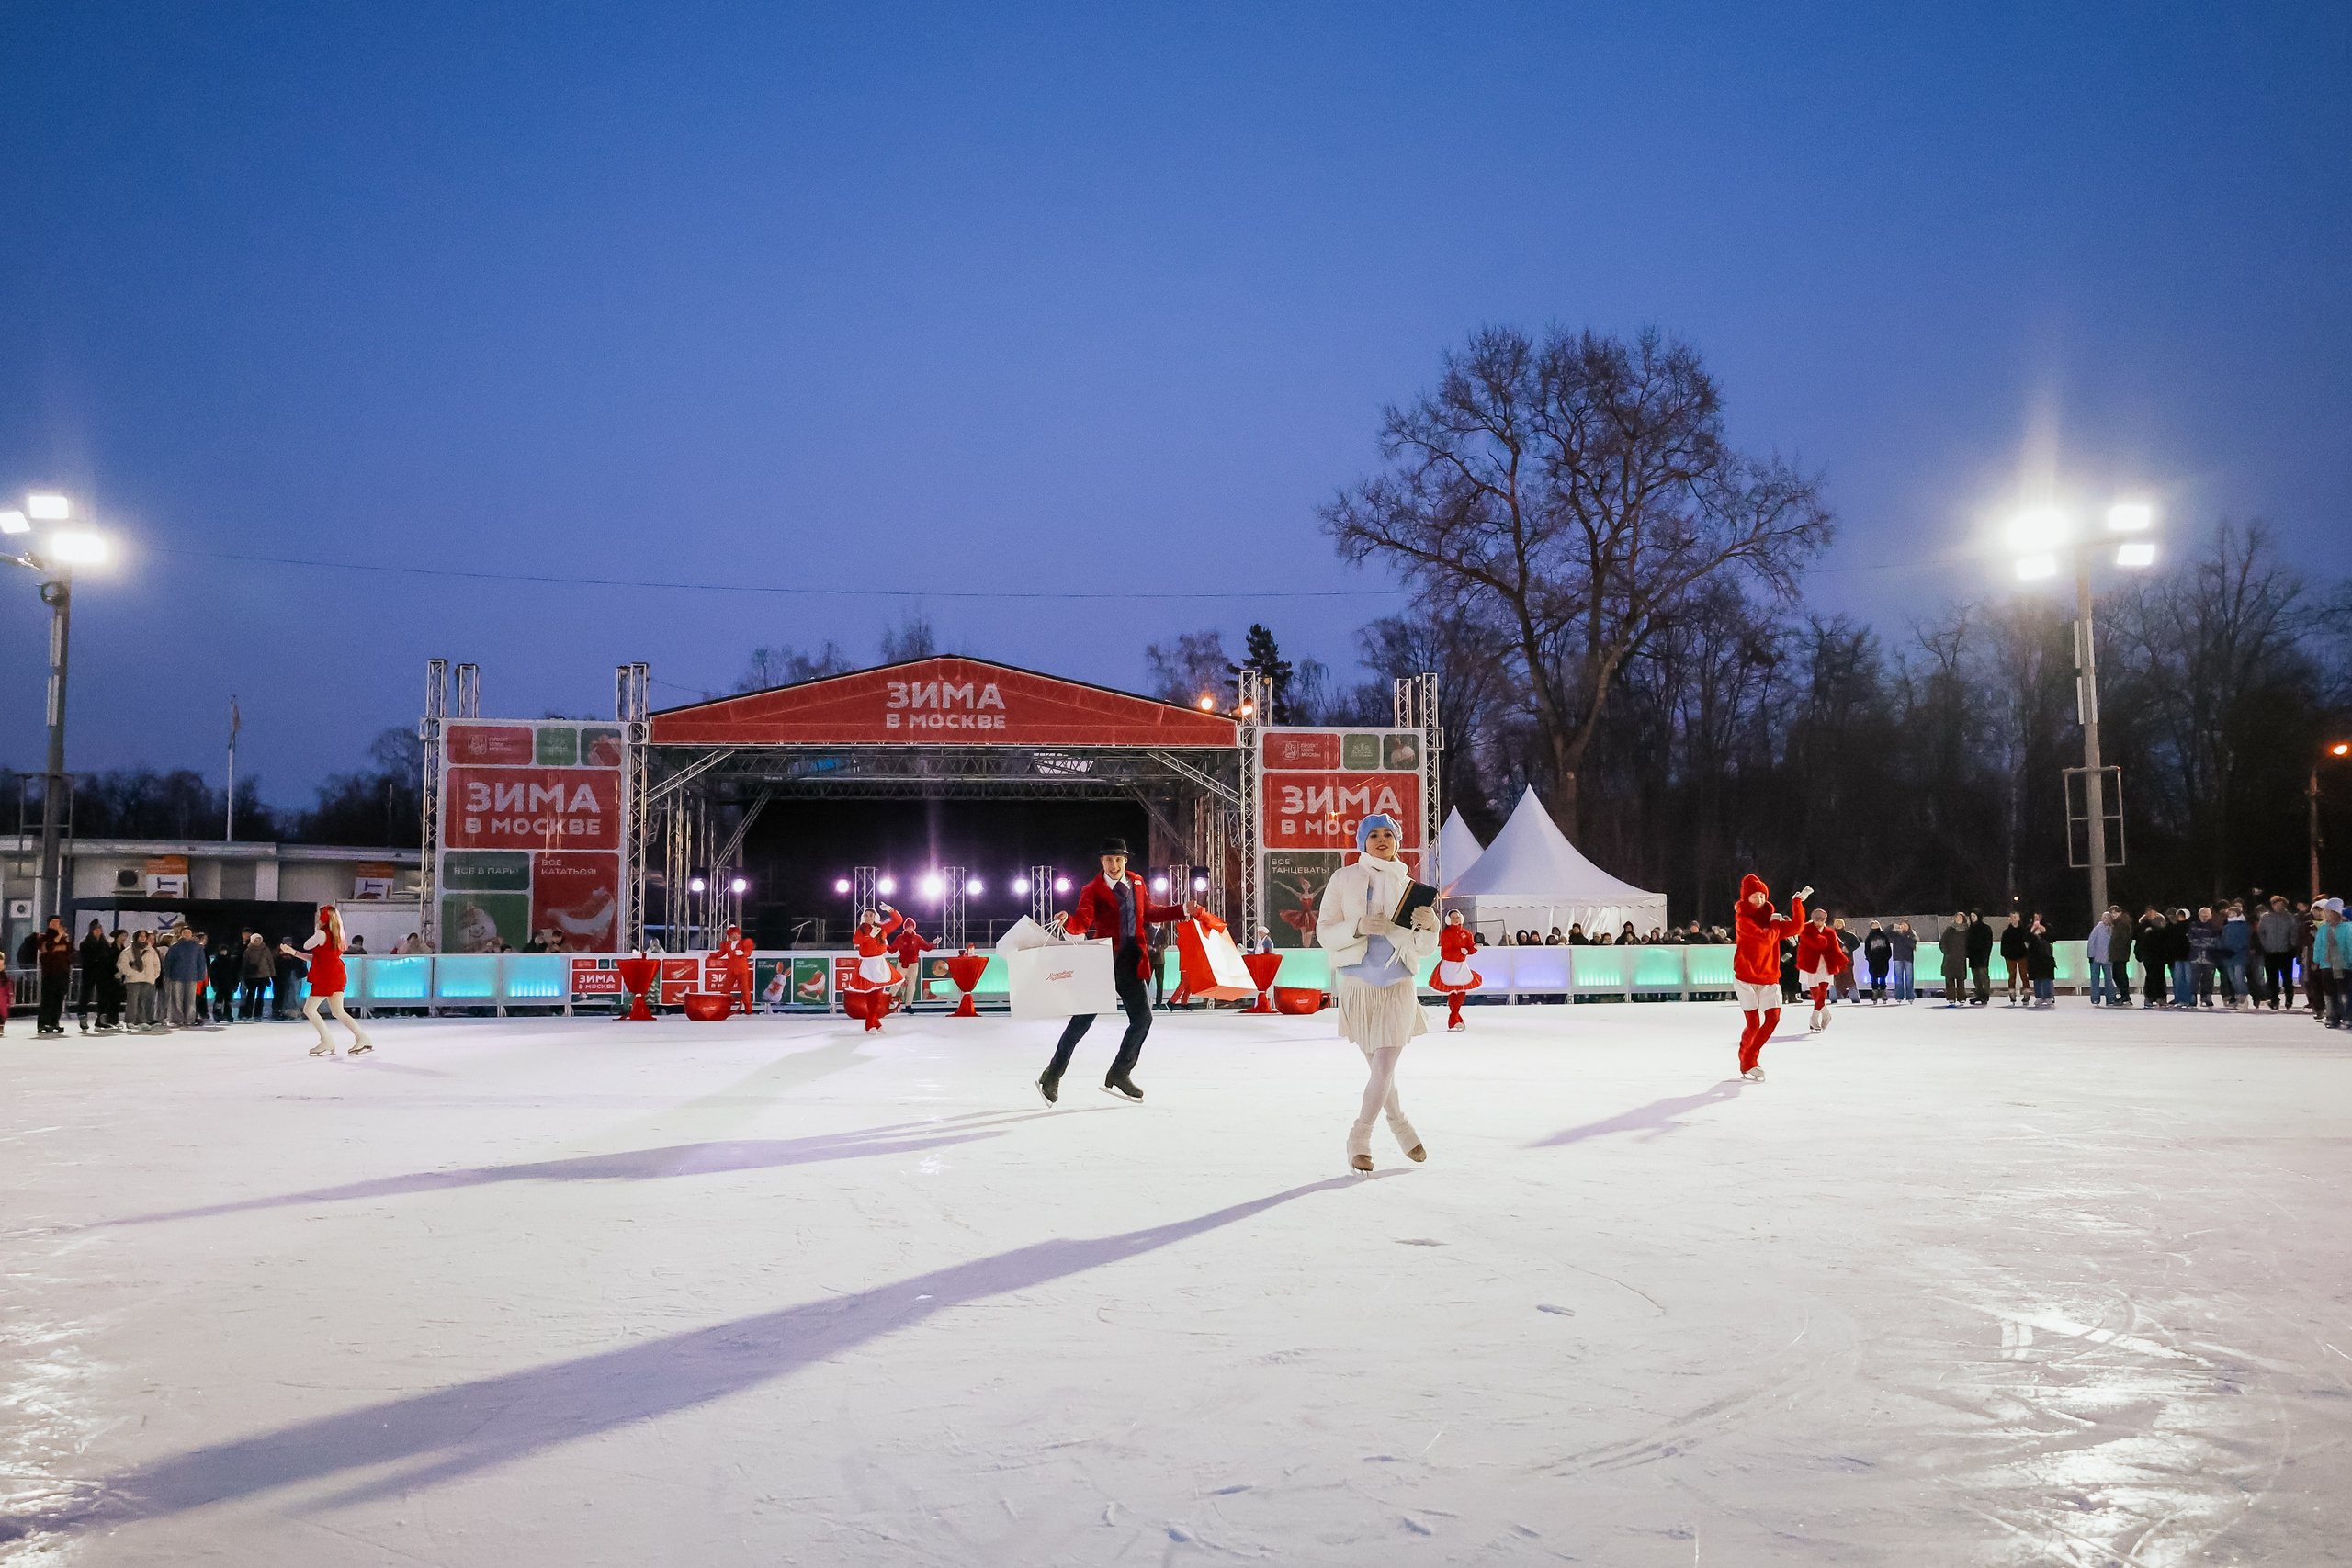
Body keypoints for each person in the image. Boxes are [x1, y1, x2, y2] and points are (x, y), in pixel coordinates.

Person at [1317, 813, 1440, 1170]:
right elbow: (1325, 932)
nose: (1381, 840)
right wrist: (1357, 926)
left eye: (1388, 834)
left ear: (1398, 841)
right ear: (1363, 842)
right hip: (1358, 984)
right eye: (1374, 835)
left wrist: (1430, 925)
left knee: (1384, 1066)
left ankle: (1359, 1139)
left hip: (1399, 982)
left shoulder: (1409, 885)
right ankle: (1402, 1127)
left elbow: (1425, 947)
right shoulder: (1344, 878)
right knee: (1380, 1072)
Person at [1037, 838, 1191, 1103]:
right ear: (1102, 862)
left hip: (1133, 962)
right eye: (1109, 859)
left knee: (1143, 1019)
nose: (1114, 864)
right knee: (1081, 1022)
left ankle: (1120, 1072)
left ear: (1125, 860)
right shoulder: (1092, 889)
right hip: (1104, 963)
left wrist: (1182, 910)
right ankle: (1052, 1075)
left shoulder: (1138, 883)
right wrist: (1068, 922)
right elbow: (1082, 921)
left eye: (1118, 859)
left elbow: (1149, 913)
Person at [1731, 874, 1806, 1081]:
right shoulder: (1743, 922)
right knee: (1753, 1024)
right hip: (1746, 979)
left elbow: (1797, 928)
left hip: (1769, 978)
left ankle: (1750, 1057)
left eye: (1762, 896)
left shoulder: (1772, 921)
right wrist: (1774, 925)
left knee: (1773, 1018)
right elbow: (1764, 940)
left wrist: (1797, 904)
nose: (1759, 900)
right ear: (1746, 899)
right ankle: (1746, 1058)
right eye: (1754, 897)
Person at [301, 906, 374, 1056]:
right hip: (336, 973)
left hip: (325, 975)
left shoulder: (321, 933)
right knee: (338, 1011)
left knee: (309, 1009)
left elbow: (307, 945)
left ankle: (326, 1040)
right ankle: (362, 1037)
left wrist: (317, 928)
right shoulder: (337, 934)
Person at [842, 905, 909, 1032]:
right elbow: (856, 941)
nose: (868, 917)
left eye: (871, 915)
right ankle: (871, 1023)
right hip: (868, 964)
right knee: (871, 995)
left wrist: (891, 910)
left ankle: (875, 1021)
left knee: (877, 995)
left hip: (880, 963)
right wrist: (870, 936)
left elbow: (898, 921)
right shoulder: (861, 929)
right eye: (866, 915)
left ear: (875, 917)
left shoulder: (881, 928)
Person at [1793, 906, 1848, 1032]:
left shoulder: (1830, 932)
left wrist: (1841, 959)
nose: (1819, 923)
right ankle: (1825, 1014)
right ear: (1812, 920)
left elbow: (1834, 948)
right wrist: (1822, 941)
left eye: (1822, 920)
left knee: (1823, 990)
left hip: (1826, 964)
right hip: (1811, 963)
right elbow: (1813, 942)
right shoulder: (1806, 929)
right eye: (1817, 920)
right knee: (1815, 991)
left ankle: (1814, 1017)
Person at [1432, 908, 1481, 1031]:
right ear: (1448, 920)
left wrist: (1473, 948)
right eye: (1453, 917)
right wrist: (1460, 952)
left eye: (1457, 917)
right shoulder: (1445, 933)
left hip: (1461, 965)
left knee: (1461, 991)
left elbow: (1470, 947)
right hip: (1449, 965)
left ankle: (1454, 1018)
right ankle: (1454, 1018)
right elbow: (1445, 952)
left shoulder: (1467, 933)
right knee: (1453, 992)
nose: (1455, 919)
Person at [2256, 896, 2299, 1010]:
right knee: (2271, 978)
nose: (2278, 907)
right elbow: (2261, 933)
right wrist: (2265, 945)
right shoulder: (2265, 918)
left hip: (2285, 951)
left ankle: (2289, 999)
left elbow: (2293, 933)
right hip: (2270, 952)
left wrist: (2292, 945)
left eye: (2281, 905)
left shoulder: (2290, 918)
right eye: (2276, 904)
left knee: (2287, 978)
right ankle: (2274, 1000)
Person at [161, 927, 208, 1030]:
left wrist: (201, 976)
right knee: (176, 999)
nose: (187, 934)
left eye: (189, 932)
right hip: (177, 976)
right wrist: (167, 975)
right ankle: (177, 1019)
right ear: (181, 934)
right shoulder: (175, 947)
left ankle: (189, 1019)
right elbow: (169, 962)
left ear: (192, 934)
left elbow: (201, 963)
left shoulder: (197, 948)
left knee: (190, 999)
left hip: (192, 976)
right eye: (185, 933)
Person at [36, 916, 74, 1036]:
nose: (56, 924)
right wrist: (57, 939)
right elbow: (47, 948)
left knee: (59, 997)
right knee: (48, 997)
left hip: (62, 970)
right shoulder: (43, 936)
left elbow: (69, 950)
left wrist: (60, 945)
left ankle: (54, 1021)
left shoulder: (65, 937)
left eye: (58, 922)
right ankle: (43, 1022)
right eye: (53, 922)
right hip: (50, 972)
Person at [2315, 900, 2350, 1028]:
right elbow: (2318, 946)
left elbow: (2350, 945)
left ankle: (2348, 1016)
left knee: (2345, 992)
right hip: (2327, 964)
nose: (2327, 915)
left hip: (2344, 964)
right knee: (2330, 992)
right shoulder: (2323, 928)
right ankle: (2332, 1017)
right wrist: (2316, 960)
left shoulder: (2347, 928)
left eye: (2330, 912)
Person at [119, 931, 163, 1032]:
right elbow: (122, 964)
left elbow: (156, 964)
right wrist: (131, 973)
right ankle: (130, 1021)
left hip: (147, 979)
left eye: (144, 936)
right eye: (141, 936)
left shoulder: (150, 950)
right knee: (132, 1001)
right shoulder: (128, 950)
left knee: (143, 1001)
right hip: (133, 980)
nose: (143, 938)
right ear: (136, 937)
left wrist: (154, 975)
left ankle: (141, 1020)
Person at [76, 919, 111, 1034]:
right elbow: (86, 958)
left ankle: (101, 1018)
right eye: (96, 929)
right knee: (86, 994)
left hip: (102, 973)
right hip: (89, 972)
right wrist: (98, 958)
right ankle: (83, 1017)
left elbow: (108, 957)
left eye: (100, 929)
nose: (98, 931)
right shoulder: (85, 943)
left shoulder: (104, 943)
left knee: (103, 995)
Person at [714, 924, 755, 1016]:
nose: (735, 936)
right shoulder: (726, 944)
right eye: (733, 934)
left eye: (737, 934)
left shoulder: (745, 942)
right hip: (731, 971)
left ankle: (748, 1010)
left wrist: (743, 953)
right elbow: (720, 954)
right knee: (725, 990)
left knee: (745, 991)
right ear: (730, 935)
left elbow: (748, 951)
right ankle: (723, 1009)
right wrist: (709, 955)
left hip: (742, 970)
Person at [2217, 903, 2250, 1009]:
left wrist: (2234, 950)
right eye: (2229, 912)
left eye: (2233, 912)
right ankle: (2237, 996)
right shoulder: (2226, 927)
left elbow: (2244, 941)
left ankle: (2243, 998)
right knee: (2232, 978)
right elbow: (2223, 941)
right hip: (2228, 957)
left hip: (2239, 956)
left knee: (2239, 977)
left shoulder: (2243, 926)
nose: (2231, 914)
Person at [241, 931, 277, 1021]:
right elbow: (244, 964)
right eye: (256, 940)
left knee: (261, 996)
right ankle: (248, 1013)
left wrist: (272, 974)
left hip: (263, 976)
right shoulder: (248, 950)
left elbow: (270, 962)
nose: (258, 941)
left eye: (259, 940)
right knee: (251, 995)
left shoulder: (266, 950)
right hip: (251, 976)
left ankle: (258, 1014)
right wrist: (244, 975)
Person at [2086, 907, 2118, 1006]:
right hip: (2096, 958)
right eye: (2105, 918)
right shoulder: (2097, 928)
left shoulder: (2113, 929)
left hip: (2108, 958)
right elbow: (2091, 942)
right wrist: (2090, 955)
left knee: (2108, 978)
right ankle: (2095, 998)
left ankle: (2110, 998)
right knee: (2095, 978)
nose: (2107, 920)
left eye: (2109, 918)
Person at [2024, 913, 2056, 1007]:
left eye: (2038, 917)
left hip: (2046, 956)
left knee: (2046, 977)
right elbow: (2026, 939)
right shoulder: (2029, 928)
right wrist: (2032, 930)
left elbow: (2052, 938)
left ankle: (2048, 996)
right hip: (2034, 956)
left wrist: (2044, 931)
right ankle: (2039, 996)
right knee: (2036, 978)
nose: (2037, 919)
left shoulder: (2047, 927)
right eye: (2035, 917)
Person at [1938, 914, 1970, 1008]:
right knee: (1949, 979)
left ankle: (1962, 998)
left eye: (1960, 917)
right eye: (1957, 917)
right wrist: (1947, 952)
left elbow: (1969, 943)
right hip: (1950, 958)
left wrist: (1966, 953)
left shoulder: (1966, 931)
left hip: (1960, 958)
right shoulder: (1949, 930)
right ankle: (1951, 997)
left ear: (1964, 919)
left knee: (1960, 979)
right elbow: (1943, 942)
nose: (1958, 919)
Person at [1998, 913, 2029, 1006]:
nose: (2013, 919)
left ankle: (2026, 994)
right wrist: (2005, 954)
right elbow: (2003, 945)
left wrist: (2027, 953)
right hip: (2010, 956)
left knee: (2024, 975)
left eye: (2015, 917)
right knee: (2012, 976)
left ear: (2019, 918)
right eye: (2012, 917)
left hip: (2022, 956)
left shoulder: (2024, 931)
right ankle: (2012, 993)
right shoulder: (2006, 932)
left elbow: (2028, 942)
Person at [1964, 911, 1994, 1005]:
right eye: (1971, 916)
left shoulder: (1986, 928)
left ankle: (1985, 995)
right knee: (1976, 976)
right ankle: (1979, 994)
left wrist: (1986, 955)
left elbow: (1988, 943)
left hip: (1982, 956)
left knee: (1983, 976)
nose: (1972, 918)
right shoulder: (1970, 929)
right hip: (1973, 957)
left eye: (1974, 916)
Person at [1861, 921, 1893, 1002]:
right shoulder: (1869, 938)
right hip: (1873, 961)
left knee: (1883, 977)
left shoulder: (1883, 936)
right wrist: (1870, 958)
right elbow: (1867, 950)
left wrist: (1887, 957)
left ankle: (1883, 992)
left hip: (1883, 960)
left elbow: (1888, 948)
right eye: (1874, 926)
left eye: (1877, 925)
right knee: (1874, 977)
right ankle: (1875, 992)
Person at [1890, 919, 1917, 1002]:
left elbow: (1912, 945)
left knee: (1909, 978)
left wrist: (1905, 935)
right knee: (1898, 978)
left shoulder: (1911, 935)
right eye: (1902, 925)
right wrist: (1893, 926)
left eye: (1905, 925)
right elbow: (1886, 933)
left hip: (1908, 958)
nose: (1903, 927)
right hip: (1898, 958)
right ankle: (1899, 996)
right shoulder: (1896, 935)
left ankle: (1910, 996)